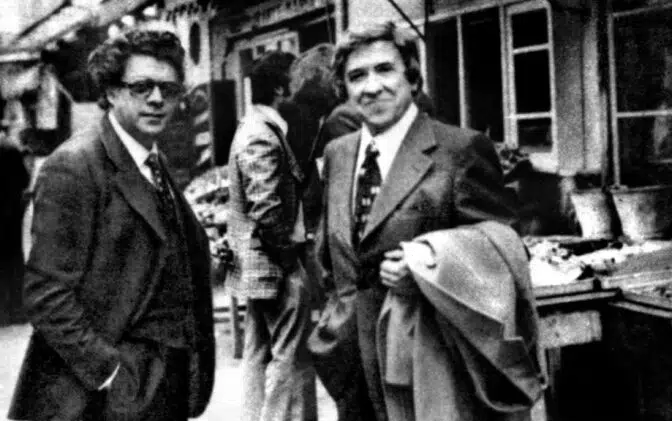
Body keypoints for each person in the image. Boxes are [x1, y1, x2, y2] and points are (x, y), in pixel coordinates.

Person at [311, 21, 531, 421]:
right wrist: (331, 331)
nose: (372, 87)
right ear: (344, 89)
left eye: (384, 69)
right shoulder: (338, 153)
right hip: (350, 366)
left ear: (412, 78)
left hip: (428, 367)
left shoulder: (460, 150)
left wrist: (429, 265)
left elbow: (506, 250)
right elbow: (331, 256)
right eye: (357, 76)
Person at [8, 29, 215, 421]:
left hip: (160, 384)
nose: (157, 99)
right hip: (98, 399)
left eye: (169, 89)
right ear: (112, 92)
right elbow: (46, 294)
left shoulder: (153, 160)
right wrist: (111, 373)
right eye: (142, 87)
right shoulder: (74, 166)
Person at [226, 50, 316, 421]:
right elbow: (265, 207)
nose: (301, 86)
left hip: (257, 264)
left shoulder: (257, 128)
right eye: (296, 79)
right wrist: (288, 255)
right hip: (273, 263)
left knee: (258, 351)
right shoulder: (261, 134)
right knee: (289, 356)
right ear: (280, 88)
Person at [0, 135, 29, 325]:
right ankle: (18, 311)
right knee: (14, 260)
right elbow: (24, 180)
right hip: (12, 212)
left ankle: (2, 313)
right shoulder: (10, 147)